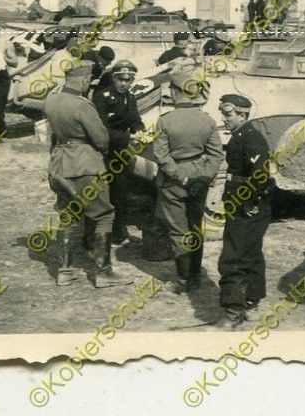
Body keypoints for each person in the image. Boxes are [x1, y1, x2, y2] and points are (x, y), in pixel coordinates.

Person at [43, 61, 132, 288]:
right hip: (85, 164)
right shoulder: (83, 105)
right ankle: (103, 273)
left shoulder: (51, 100)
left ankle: (65, 271)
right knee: (103, 215)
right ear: (83, 80)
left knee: (68, 214)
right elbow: (102, 139)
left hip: (60, 163)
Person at [154, 66, 223, 294]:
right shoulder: (208, 121)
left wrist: (178, 174)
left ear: (174, 92)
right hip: (199, 176)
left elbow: (161, 155)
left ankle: (183, 280)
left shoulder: (165, 121)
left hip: (173, 181)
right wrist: (204, 176)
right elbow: (216, 155)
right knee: (196, 226)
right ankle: (195, 275)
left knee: (178, 230)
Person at [215, 94, 272, 328]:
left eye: (228, 114)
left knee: (234, 256)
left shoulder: (251, 137)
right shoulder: (242, 135)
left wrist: (250, 201)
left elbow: (260, 173)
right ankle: (252, 304)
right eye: (223, 113)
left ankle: (233, 310)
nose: (224, 118)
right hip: (242, 201)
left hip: (247, 204)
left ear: (242, 114)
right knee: (250, 253)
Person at [93, 60, 146, 246]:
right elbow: (100, 130)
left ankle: (118, 230)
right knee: (100, 193)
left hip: (121, 152)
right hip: (104, 151)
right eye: (120, 79)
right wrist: (128, 138)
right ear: (114, 78)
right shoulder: (102, 97)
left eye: (128, 80)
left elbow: (135, 120)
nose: (124, 83)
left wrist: (141, 132)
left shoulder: (130, 98)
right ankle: (95, 235)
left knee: (120, 192)